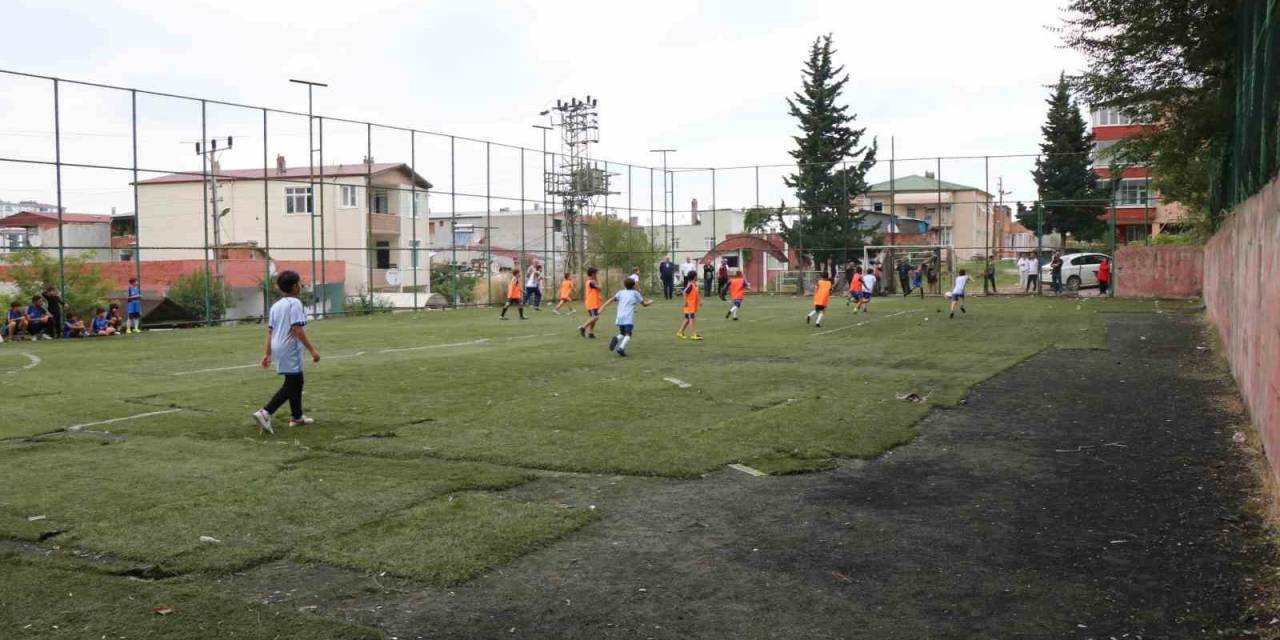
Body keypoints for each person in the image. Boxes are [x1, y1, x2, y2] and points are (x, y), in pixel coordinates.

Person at [251, 270, 320, 435]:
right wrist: (313, 350)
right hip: (290, 347)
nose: (301, 285)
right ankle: (265, 412)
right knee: (293, 383)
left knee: (295, 380)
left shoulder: (276, 305)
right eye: (299, 282)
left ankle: (297, 417)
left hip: (277, 345)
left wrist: (267, 354)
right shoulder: (294, 303)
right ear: (295, 286)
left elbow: (270, 331)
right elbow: (297, 329)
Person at [598, 277, 653, 357]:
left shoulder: (620, 292)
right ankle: (621, 348)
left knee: (622, 333)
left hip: (620, 317)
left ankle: (616, 338)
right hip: (628, 318)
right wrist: (650, 302)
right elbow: (644, 304)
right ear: (633, 285)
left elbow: (611, 300)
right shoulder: (635, 293)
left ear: (624, 285)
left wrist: (602, 306)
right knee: (628, 334)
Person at [578, 267, 604, 339]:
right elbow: (600, 288)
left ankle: (590, 332)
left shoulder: (591, 281)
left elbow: (595, 291)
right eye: (596, 273)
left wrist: (599, 296)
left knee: (593, 318)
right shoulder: (591, 282)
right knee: (595, 317)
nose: (597, 275)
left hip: (593, 302)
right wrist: (599, 280)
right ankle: (583, 327)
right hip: (592, 303)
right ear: (593, 274)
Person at [677, 271, 703, 340]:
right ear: (694, 277)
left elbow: (696, 294)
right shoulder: (691, 285)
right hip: (689, 305)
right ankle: (693, 335)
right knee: (692, 319)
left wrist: (699, 301)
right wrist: (685, 302)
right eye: (696, 276)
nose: (697, 277)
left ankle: (680, 332)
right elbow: (685, 292)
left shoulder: (694, 284)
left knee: (687, 319)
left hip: (691, 305)